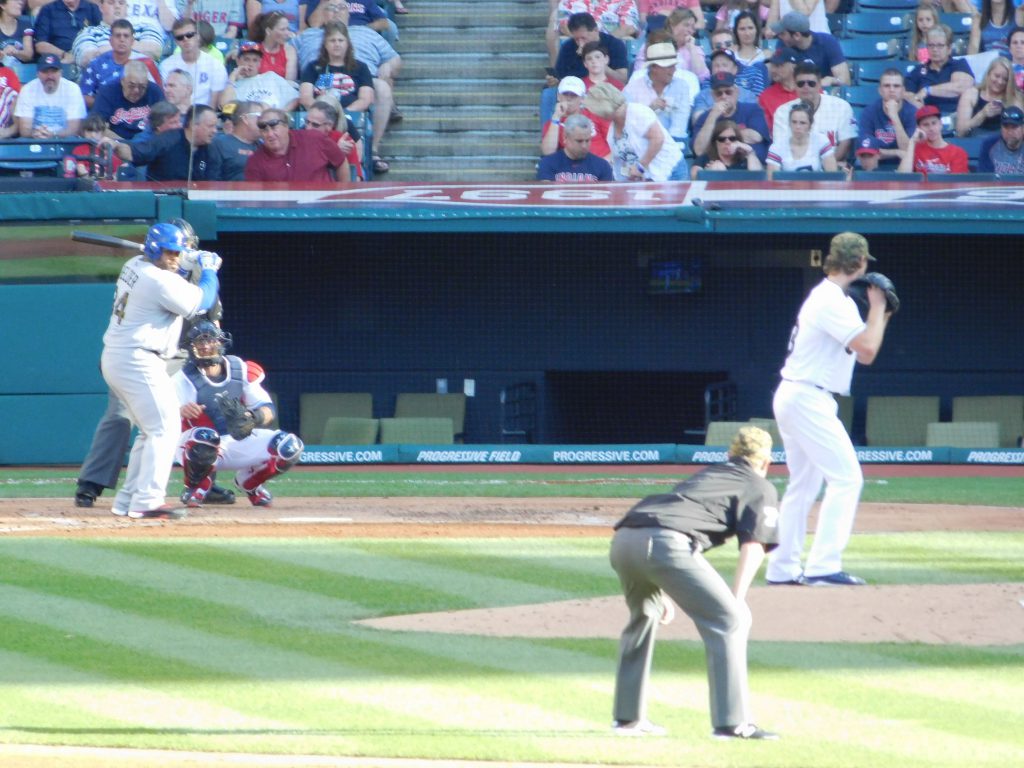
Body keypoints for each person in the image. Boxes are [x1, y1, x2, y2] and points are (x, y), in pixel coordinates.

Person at [610, 425, 780, 740]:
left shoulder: (710, 474)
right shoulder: (760, 486)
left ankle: (628, 719)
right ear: (766, 463)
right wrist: (737, 599)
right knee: (730, 619)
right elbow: (753, 546)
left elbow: (670, 519)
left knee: (643, 618)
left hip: (625, 538)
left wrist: (664, 586)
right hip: (665, 544)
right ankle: (733, 723)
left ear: (730, 455)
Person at [765, 232, 891, 587]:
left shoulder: (831, 297)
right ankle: (823, 566)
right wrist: (879, 307)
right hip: (807, 397)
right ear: (859, 263)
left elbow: (867, 346)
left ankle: (782, 568)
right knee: (847, 478)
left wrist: (884, 314)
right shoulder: (832, 300)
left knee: (803, 486)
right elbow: (867, 350)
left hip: (799, 394)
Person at [99, 222, 220, 519]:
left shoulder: (135, 264)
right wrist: (209, 270)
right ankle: (148, 500)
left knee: (150, 431)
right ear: (154, 249)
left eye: (177, 253)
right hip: (136, 359)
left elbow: (172, 274)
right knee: (165, 428)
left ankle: (128, 499)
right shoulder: (157, 280)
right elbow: (201, 301)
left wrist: (183, 260)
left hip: (126, 357)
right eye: (169, 252)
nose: (175, 258)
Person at [173, 321, 304, 508]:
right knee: (205, 438)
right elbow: (162, 411)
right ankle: (197, 486)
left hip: (235, 439)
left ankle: (250, 483)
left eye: (209, 340)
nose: (205, 346)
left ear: (220, 342)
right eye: (199, 343)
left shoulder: (240, 369)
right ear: (191, 348)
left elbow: (267, 409)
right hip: (196, 444)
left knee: (289, 446)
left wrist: (252, 418)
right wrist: (180, 410)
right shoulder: (183, 377)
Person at [584, 81, 687, 180]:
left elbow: (658, 139)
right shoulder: (612, 130)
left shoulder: (637, 111)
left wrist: (640, 167)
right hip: (648, 178)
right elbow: (621, 161)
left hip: (670, 170)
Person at [109, 103, 221, 180]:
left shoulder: (212, 149)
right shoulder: (167, 140)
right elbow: (134, 152)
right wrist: (115, 145)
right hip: (163, 202)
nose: (215, 131)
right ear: (193, 125)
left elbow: (212, 183)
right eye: (210, 126)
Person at [772, 63, 857, 164]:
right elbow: (781, 148)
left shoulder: (841, 106)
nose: (806, 87)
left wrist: (826, 167)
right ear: (795, 85)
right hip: (794, 169)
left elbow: (845, 143)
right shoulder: (783, 111)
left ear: (819, 84)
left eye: (811, 83)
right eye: (801, 83)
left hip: (831, 169)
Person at [623, 40, 699, 147]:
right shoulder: (632, 88)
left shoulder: (681, 86)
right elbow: (627, 122)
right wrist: (648, 110)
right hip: (640, 143)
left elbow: (679, 125)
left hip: (673, 144)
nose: (673, 70)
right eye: (669, 66)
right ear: (654, 67)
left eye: (674, 65)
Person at [244, 106, 349, 181]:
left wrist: (343, 195)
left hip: (322, 208)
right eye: (264, 130)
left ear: (286, 126)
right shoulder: (255, 161)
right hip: (280, 211)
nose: (270, 134)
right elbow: (256, 199)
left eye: (274, 127)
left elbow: (341, 162)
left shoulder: (315, 139)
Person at [691, 71, 770, 163]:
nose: (724, 96)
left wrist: (716, 139)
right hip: (718, 168)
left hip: (750, 167)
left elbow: (756, 137)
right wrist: (712, 116)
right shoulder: (705, 118)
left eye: (728, 92)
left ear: (736, 92)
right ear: (713, 96)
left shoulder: (753, 109)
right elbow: (699, 150)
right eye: (719, 93)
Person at [79, 21, 159, 109]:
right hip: (106, 114)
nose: (122, 39)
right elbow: (84, 96)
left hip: (140, 114)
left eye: (126, 36)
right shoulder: (96, 64)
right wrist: (107, 103)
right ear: (110, 40)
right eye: (118, 35)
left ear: (132, 41)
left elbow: (157, 96)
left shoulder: (146, 63)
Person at [159, 18, 230, 109]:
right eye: (180, 37)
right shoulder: (166, 65)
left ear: (198, 36)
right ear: (176, 42)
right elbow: (166, 98)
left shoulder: (215, 66)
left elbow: (213, 105)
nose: (185, 39)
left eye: (190, 35)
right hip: (175, 115)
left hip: (203, 116)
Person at [905, 25, 975, 114]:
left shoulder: (959, 64)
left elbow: (960, 87)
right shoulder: (918, 70)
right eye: (931, 45)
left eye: (940, 45)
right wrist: (919, 105)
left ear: (949, 48)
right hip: (927, 120)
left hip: (955, 116)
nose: (935, 49)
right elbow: (907, 94)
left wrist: (928, 90)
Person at [14, 54, 86, 139]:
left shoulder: (73, 89)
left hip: (64, 141)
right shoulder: (27, 89)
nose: (50, 76)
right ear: (37, 74)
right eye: (45, 72)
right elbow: (24, 130)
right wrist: (35, 134)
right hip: (35, 140)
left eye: (54, 71)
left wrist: (53, 135)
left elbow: (74, 129)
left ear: (61, 73)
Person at [769, 12, 849, 87]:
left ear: (797, 35)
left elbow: (845, 80)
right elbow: (778, 76)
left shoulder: (827, 42)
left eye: (783, 34)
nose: (779, 36)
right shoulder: (782, 43)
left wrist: (832, 80)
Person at [541, 76, 612, 161]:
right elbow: (548, 152)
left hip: (603, 164)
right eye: (565, 94)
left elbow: (615, 144)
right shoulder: (553, 123)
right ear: (559, 96)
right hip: (576, 169)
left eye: (574, 95)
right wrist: (556, 117)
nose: (569, 98)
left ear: (582, 98)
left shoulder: (596, 114)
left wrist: (603, 166)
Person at [857, 68, 917, 166]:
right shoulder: (869, 112)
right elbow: (866, 151)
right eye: (886, 86)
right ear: (880, 90)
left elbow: (907, 151)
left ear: (903, 90)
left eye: (896, 86)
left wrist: (894, 117)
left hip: (904, 165)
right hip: (876, 164)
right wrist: (896, 152)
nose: (891, 90)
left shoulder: (912, 113)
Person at [91, 59, 164, 140]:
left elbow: (165, 123)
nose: (136, 90)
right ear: (122, 81)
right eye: (131, 86)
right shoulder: (107, 91)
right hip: (116, 143)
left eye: (142, 87)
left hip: (147, 144)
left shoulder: (155, 91)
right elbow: (96, 126)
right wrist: (125, 145)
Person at [766, 101, 838, 177]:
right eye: (794, 122)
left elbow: (832, 176)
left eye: (802, 123)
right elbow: (772, 181)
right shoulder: (777, 146)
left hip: (816, 188)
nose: (797, 127)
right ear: (789, 123)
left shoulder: (820, 140)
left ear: (810, 125)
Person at [537, 112, 614, 182]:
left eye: (587, 140)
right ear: (565, 138)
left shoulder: (602, 166)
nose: (584, 146)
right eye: (579, 141)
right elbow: (545, 192)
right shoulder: (548, 163)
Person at [224, 41, 300, 110]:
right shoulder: (234, 86)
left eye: (255, 60)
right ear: (238, 61)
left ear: (260, 62)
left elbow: (296, 98)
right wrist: (233, 75)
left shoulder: (271, 77)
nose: (250, 64)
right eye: (246, 59)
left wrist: (283, 112)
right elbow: (226, 108)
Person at [956, 57, 1022, 136]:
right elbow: (960, 131)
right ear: (988, 74)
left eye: (1005, 79)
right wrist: (982, 114)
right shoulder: (971, 94)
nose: (1000, 82)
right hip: (974, 141)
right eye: (997, 76)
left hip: (1003, 142)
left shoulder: (1014, 99)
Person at [898, 103, 970, 174]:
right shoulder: (915, 149)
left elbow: (957, 183)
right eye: (926, 125)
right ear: (919, 128)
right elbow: (902, 178)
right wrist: (912, 142)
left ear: (940, 124)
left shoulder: (957, 152)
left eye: (934, 123)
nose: (931, 128)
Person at [304, 97, 363, 180]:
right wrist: (336, 151)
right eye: (307, 122)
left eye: (315, 125)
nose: (308, 128)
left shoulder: (345, 140)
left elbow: (356, 177)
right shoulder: (298, 138)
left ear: (329, 125)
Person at [34, 0, 103, 65]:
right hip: (61, 61)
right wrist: (64, 55)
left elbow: (103, 36)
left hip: (89, 58)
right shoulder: (48, 10)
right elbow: (40, 45)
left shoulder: (92, 8)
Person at [690, 117, 764, 176]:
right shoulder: (705, 158)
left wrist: (750, 152)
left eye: (732, 138)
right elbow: (694, 176)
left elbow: (758, 178)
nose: (727, 142)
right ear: (715, 142)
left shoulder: (745, 159)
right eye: (722, 139)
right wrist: (709, 173)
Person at [210, 100, 263, 180]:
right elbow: (211, 180)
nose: (264, 122)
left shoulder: (263, 147)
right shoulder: (219, 144)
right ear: (245, 119)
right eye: (260, 117)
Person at [758, 46, 798, 134]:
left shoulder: (809, 89)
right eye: (772, 65)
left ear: (793, 66)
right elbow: (766, 130)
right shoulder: (766, 96)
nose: (773, 70)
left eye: (779, 66)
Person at [253, 10, 298, 82]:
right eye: (282, 29)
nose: (287, 33)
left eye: (288, 29)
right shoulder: (255, 50)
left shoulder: (289, 50)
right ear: (268, 31)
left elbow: (290, 82)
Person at [978, 104, 1024, 172]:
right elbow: (983, 177)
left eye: (1014, 127)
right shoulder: (989, 144)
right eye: (1006, 127)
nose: (1010, 132)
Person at [178, 0, 247, 39]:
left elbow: (232, 31)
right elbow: (184, 26)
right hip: (192, 41)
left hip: (220, 41)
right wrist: (190, 4)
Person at [0, 0, 34, 66]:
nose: (20, 2)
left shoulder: (25, 24)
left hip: (22, 71)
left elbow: (29, 55)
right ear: (2, 5)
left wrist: (15, 52)